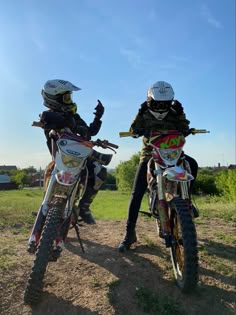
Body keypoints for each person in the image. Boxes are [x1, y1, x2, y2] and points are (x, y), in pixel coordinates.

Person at [118, 81, 199, 252]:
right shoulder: (144, 113)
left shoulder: (174, 113)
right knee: (137, 191)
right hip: (150, 154)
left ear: (171, 102)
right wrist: (139, 116)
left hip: (173, 153)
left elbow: (184, 128)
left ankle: (187, 202)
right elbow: (133, 130)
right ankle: (129, 233)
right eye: (157, 103)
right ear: (149, 101)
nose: (161, 107)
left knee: (192, 164)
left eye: (165, 103)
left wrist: (182, 114)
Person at [41, 79, 110, 224]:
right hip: (61, 157)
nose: (69, 100)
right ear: (54, 98)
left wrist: (98, 117)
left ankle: (84, 207)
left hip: (79, 155)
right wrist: (75, 127)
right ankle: (46, 205)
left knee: (100, 173)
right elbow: (49, 119)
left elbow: (90, 132)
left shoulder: (73, 116)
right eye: (66, 97)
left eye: (69, 97)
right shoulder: (49, 115)